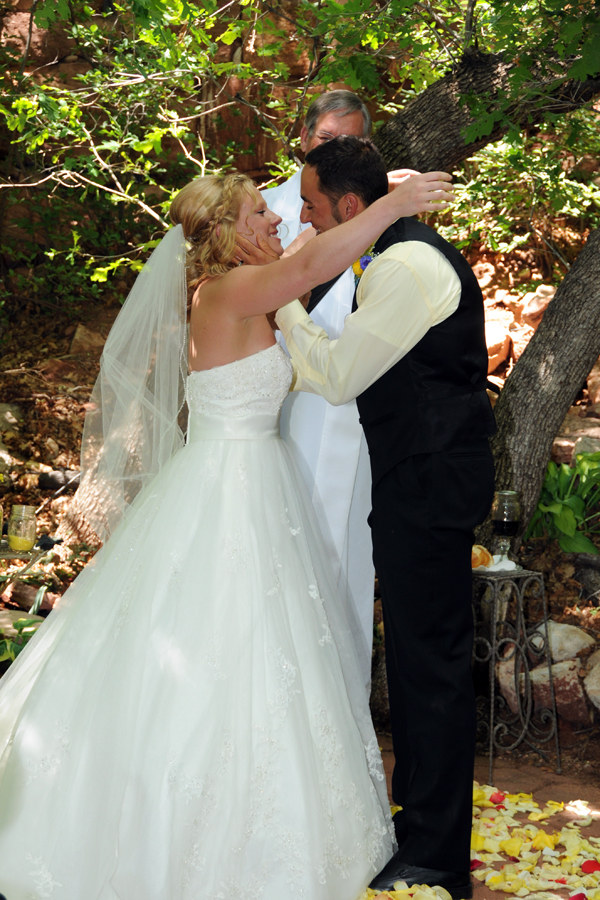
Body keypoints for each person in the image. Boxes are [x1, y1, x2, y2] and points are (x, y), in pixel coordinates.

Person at [0, 167, 454, 899]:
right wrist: (397, 207)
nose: (276, 221)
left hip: (250, 483)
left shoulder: (243, 283)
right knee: (225, 650)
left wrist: (374, 184)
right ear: (228, 232)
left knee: (259, 657)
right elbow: (310, 261)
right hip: (229, 492)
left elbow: (306, 245)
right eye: (260, 214)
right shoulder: (232, 291)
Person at [273, 136, 497, 900]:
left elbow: (336, 376)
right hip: (416, 483)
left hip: (431, 488)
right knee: (411, 662)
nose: (303, 219)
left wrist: (282, 304)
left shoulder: (403, 267)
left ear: (350, 207)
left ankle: (437, 855)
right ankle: (419, 830)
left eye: (310, 204)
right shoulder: (386, 254)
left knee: (429, 670)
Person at [262, 90, 379, 687]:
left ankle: (344, 702)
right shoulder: (264, 210)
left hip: (359, 415)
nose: (340, 151)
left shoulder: (378, 213)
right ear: (304, 138)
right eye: (330, 140)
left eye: (354, 142)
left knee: (347, 556)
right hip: (284, 405)